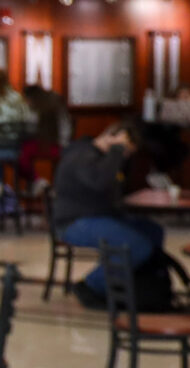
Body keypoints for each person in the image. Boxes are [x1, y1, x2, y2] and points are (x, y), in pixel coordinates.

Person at [52, 120, 162, 308]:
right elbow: (100, 182)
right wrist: (117, 150)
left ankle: (141, 285)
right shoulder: (82, 155)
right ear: (110, 137)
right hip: (74, 222)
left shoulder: (105, 158)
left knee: (152, 231)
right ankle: (92, 285)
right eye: (125, 150)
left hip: (100, 216)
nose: (125, 157)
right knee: (136, 245)